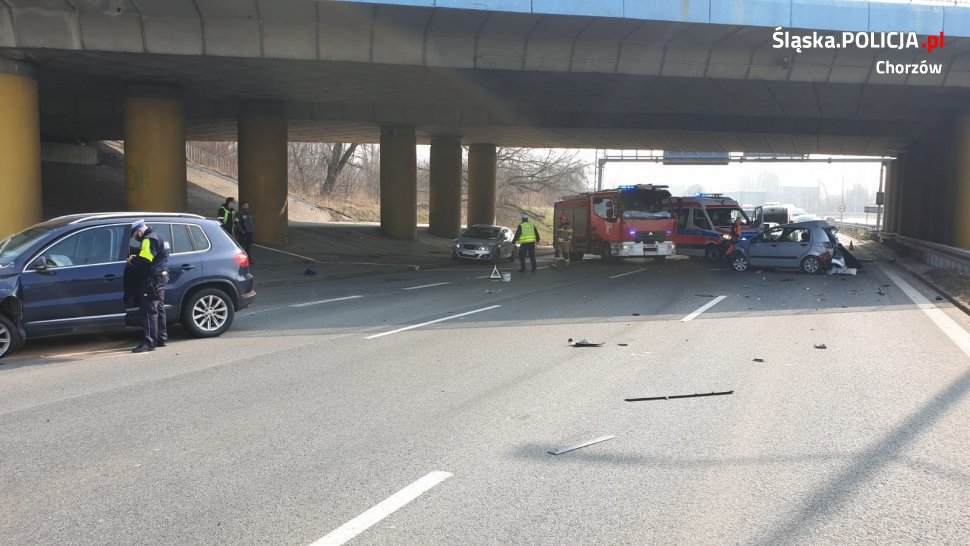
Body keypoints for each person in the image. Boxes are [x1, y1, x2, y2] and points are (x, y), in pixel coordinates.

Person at [128, 220, 170, 353]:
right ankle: (161, 338)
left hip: (152, 278)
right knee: (159, 308)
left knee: (149, 310)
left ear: (139, 230)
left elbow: (146, 260)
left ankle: (149, 342)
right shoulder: (159, 236)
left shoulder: (148, 239)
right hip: (162, 276)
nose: (136, 238)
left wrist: (132, 260)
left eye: (135, 235)